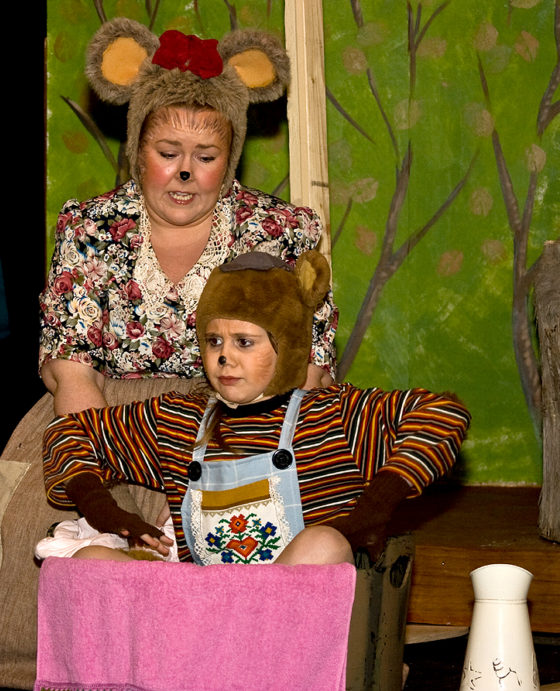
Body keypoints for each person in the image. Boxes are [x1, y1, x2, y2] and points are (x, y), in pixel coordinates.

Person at [40, 250, 471, 566]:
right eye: (214, 341)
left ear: (288, 347)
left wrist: (376, 507)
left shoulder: (334, 418)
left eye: (244, 342)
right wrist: (104, 510)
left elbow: (443, 413)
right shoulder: (178, 420)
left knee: (323, 545)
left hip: (292, 629)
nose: (224, 357)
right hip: (199, 615)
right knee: (92, 561)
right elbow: (68, 433)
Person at [38, 18, 338, 417]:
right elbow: (72, 372)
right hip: (106, 419)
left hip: (250, 424)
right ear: (138, 151)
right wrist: (109, 448)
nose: (185, 172)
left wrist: (243, 445)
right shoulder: (91, 230)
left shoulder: (279, 232)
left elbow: (308, 372)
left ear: (229, 159)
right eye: (168, 153)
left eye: (206, 157)